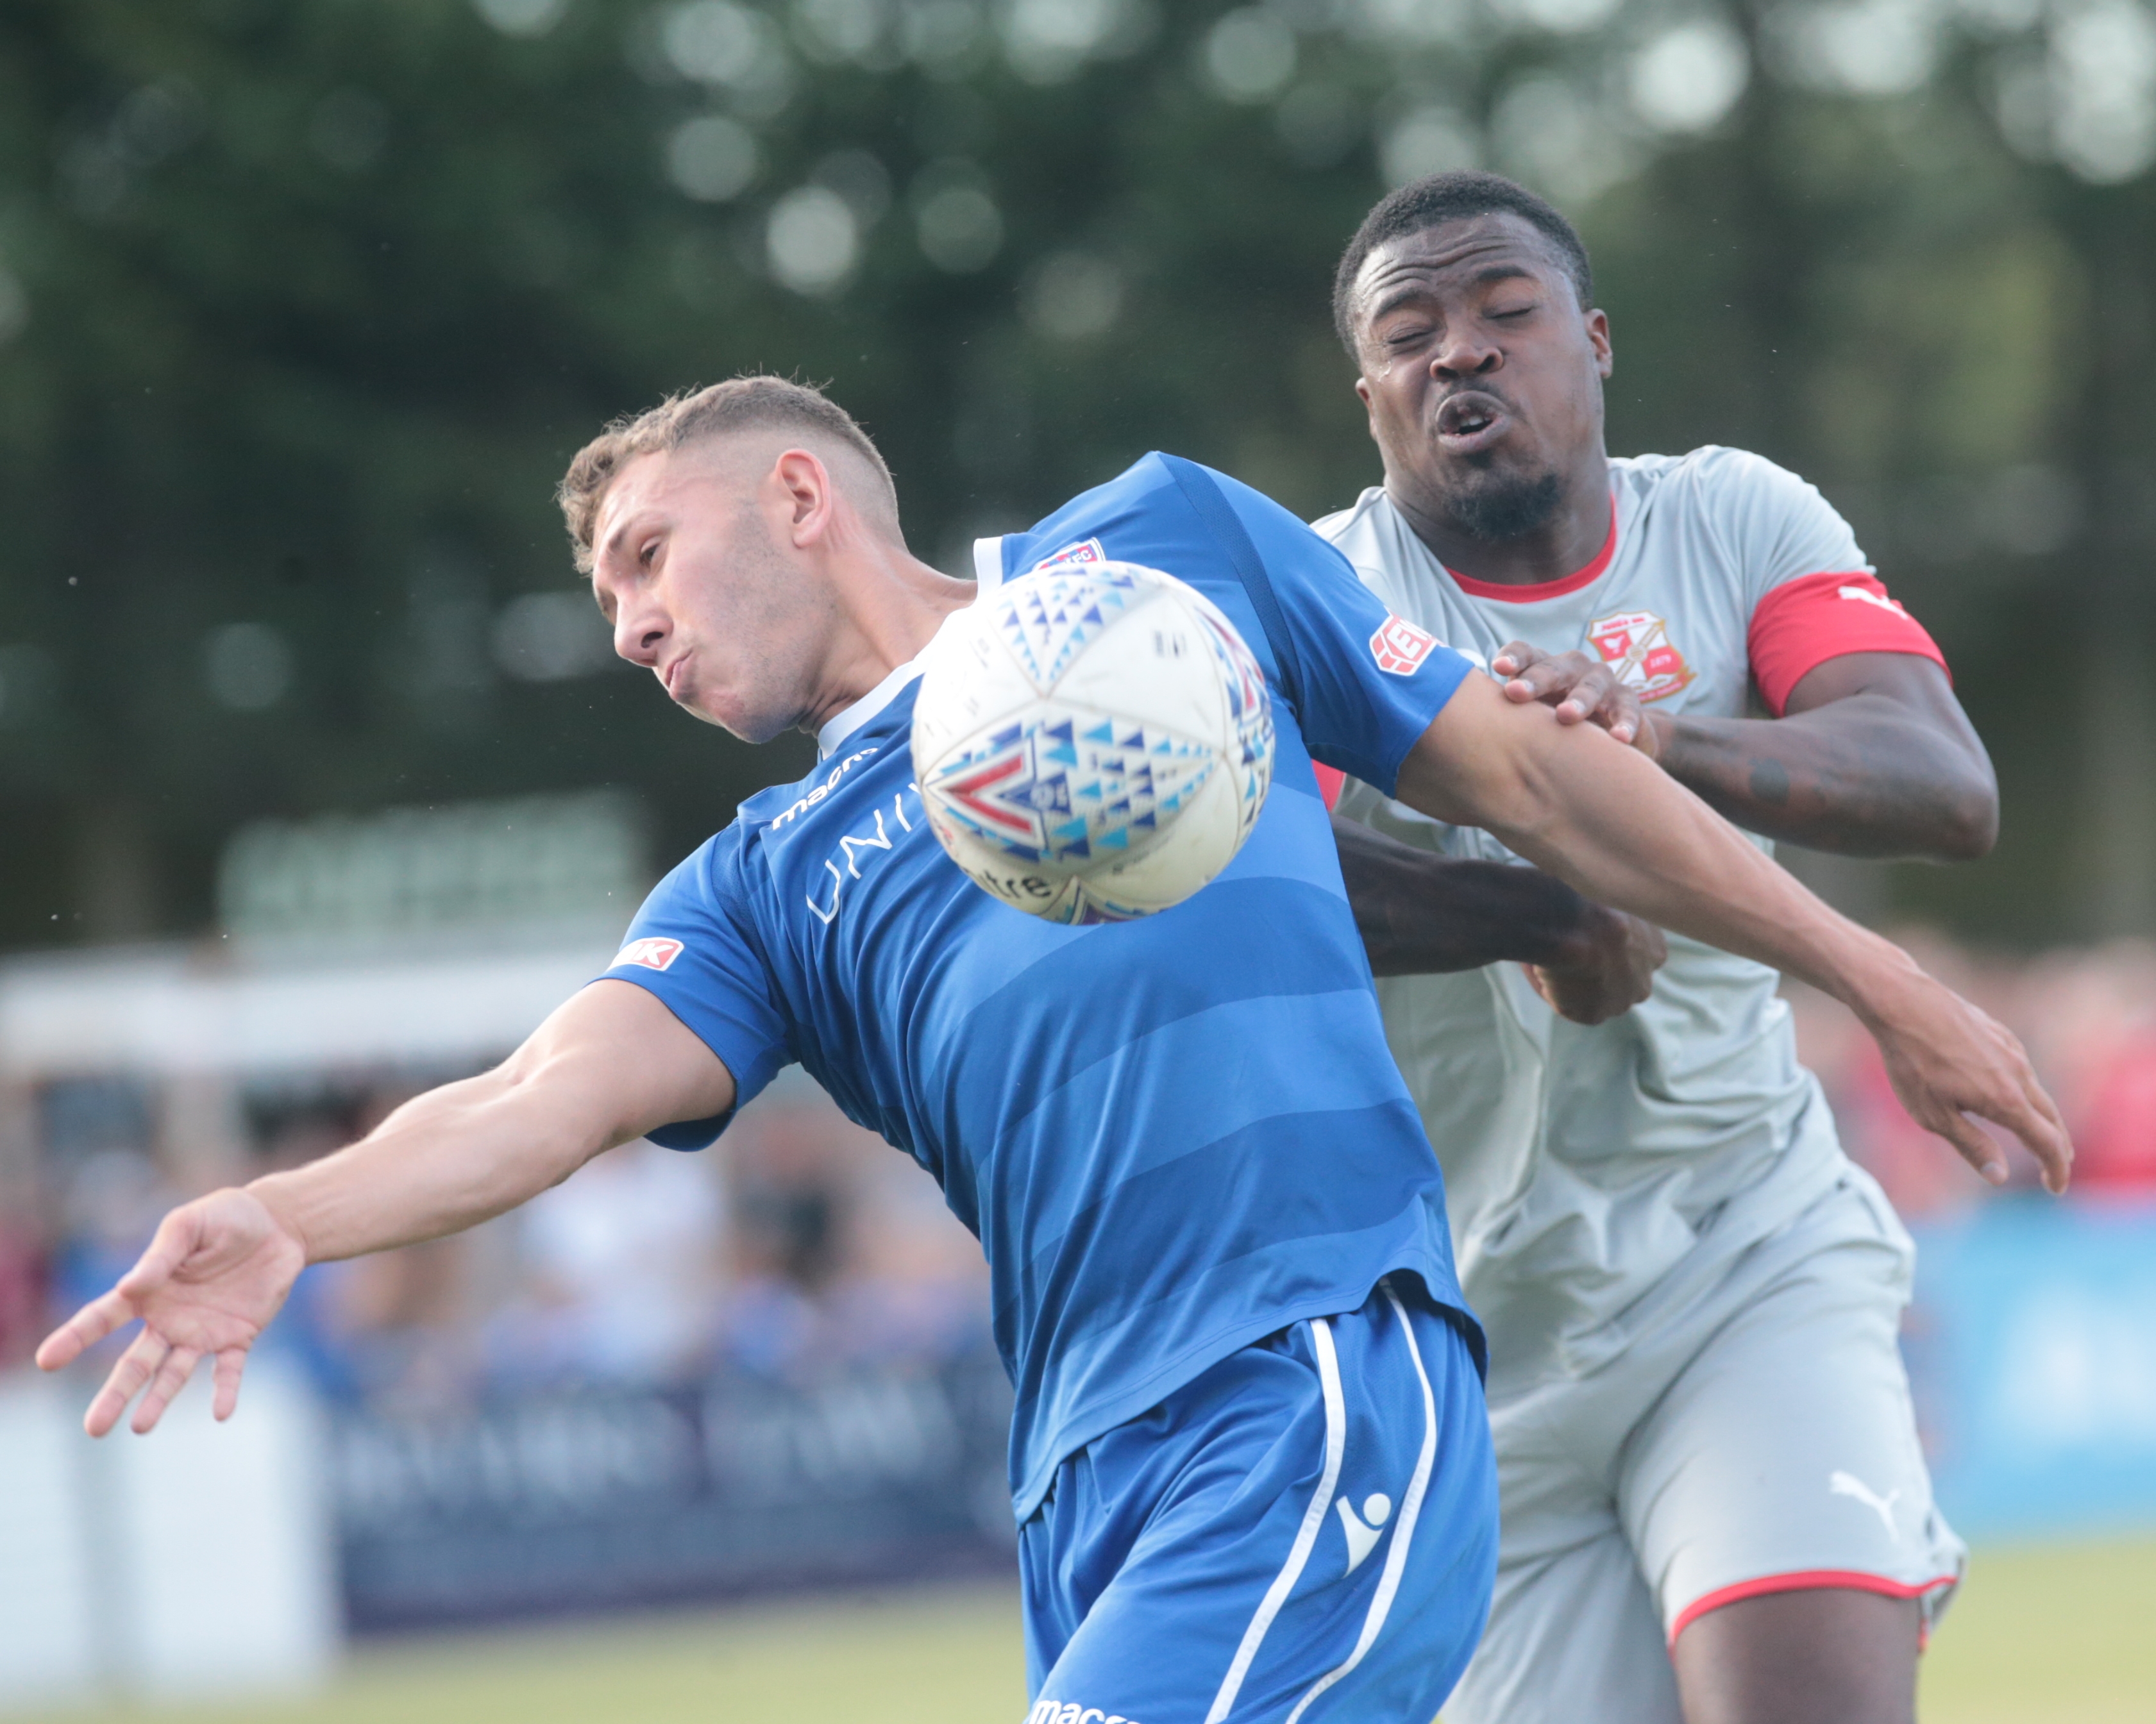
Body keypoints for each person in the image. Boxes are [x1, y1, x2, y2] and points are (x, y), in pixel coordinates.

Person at [38, 378, 2065, 1723]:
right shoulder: (761, 886)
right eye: (605, 600)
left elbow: (1532, 776)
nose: (628, 628)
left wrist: (1874, 982)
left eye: (645, 558)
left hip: (1309, 1385)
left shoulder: (1163, 547)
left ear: (801, 494)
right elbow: (536, 1093)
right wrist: (286, 1211)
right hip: (1087, 1483)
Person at [1317, 170, 2030, 1724]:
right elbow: (1259, 879)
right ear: (1367, 390)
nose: (1462, 355)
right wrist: (1539, 909)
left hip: (1743, 1260)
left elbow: (1939, 783)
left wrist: (1662, 737)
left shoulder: (1731, 515)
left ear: (1591, 341)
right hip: (1467, 1349)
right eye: (1410, 332)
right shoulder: (1324, 597)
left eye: (1506, 315)